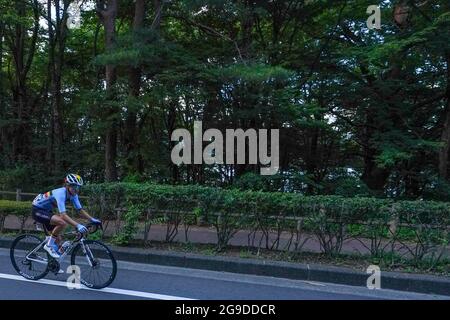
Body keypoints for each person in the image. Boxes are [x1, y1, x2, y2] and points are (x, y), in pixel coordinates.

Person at [31, 174, 101, 258]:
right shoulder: (61, 193)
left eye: (78, 187)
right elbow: (63, 215)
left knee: (58, 239)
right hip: (37, 210)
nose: (76, 189)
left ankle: (52, 264)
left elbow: (80, 210)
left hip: (47, 211)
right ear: (67, 185)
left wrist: (92, 219)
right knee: (62, 223)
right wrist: (78, 225)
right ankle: (48, 246)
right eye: (74, 187)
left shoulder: (74, 195)